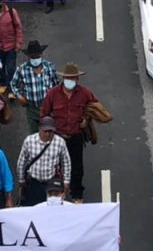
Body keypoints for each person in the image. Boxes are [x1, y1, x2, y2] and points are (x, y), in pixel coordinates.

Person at [41, 63, 97, 203]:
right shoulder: (52, 94)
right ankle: (57, 194)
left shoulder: (85, 93)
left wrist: (86, 119)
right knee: (55, 166)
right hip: (58, 137)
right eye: (68, 78)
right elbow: (44, 114)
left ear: (77, 79)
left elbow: (95, 108)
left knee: (77, 167)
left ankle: (77, 194)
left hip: (76, 136)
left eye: (73, 78)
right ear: (63, 78)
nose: (70, 81)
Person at [15, 116, 71, 207]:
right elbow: (21, 162)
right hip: (34, 182)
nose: (48, 134)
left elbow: (66, 162)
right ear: (39, 130)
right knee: (33, 207)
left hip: (52, 183)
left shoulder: (60, 142)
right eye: (46, 131)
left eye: (51, 131)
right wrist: (21, 179)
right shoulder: (29, 141)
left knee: (53, 208)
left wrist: (66, 181)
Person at [9, 40, 60, 132]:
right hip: (31, 109)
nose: (35, 59)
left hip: (48, 108)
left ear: (41, 54)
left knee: (49, 132)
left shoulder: (49, 66)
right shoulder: (22, 69)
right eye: (33, 57)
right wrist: (19, 96)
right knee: (35, 134)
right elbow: (13, 84)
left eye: (37, 56)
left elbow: (57, 84)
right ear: (28, 57)